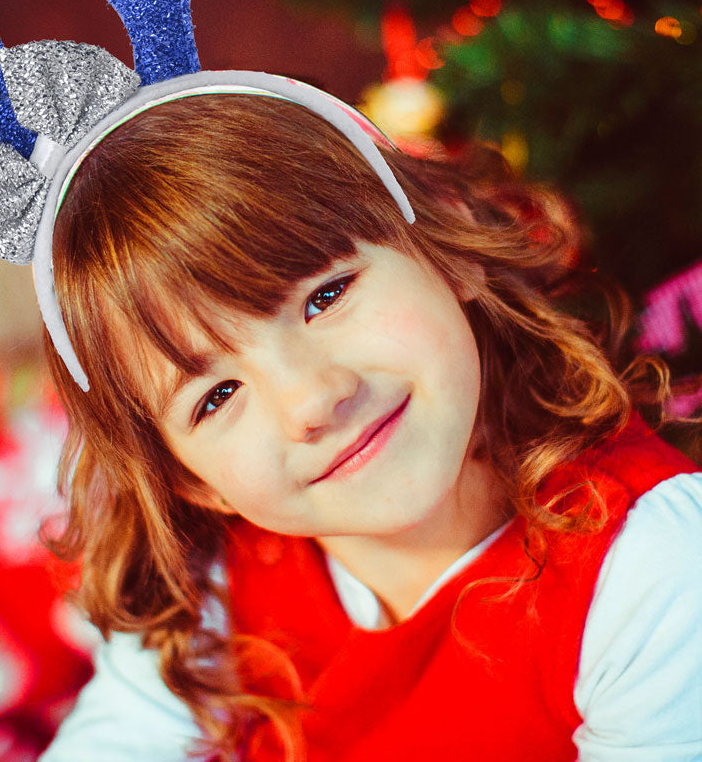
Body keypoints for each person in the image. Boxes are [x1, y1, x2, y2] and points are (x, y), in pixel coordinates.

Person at [37, 94, 702, 762]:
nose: (312, 400)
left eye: (326, 296)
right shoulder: (210, 592)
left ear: (448, 248)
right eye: (217, 395)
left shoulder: (650, 565)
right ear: (187, 479)